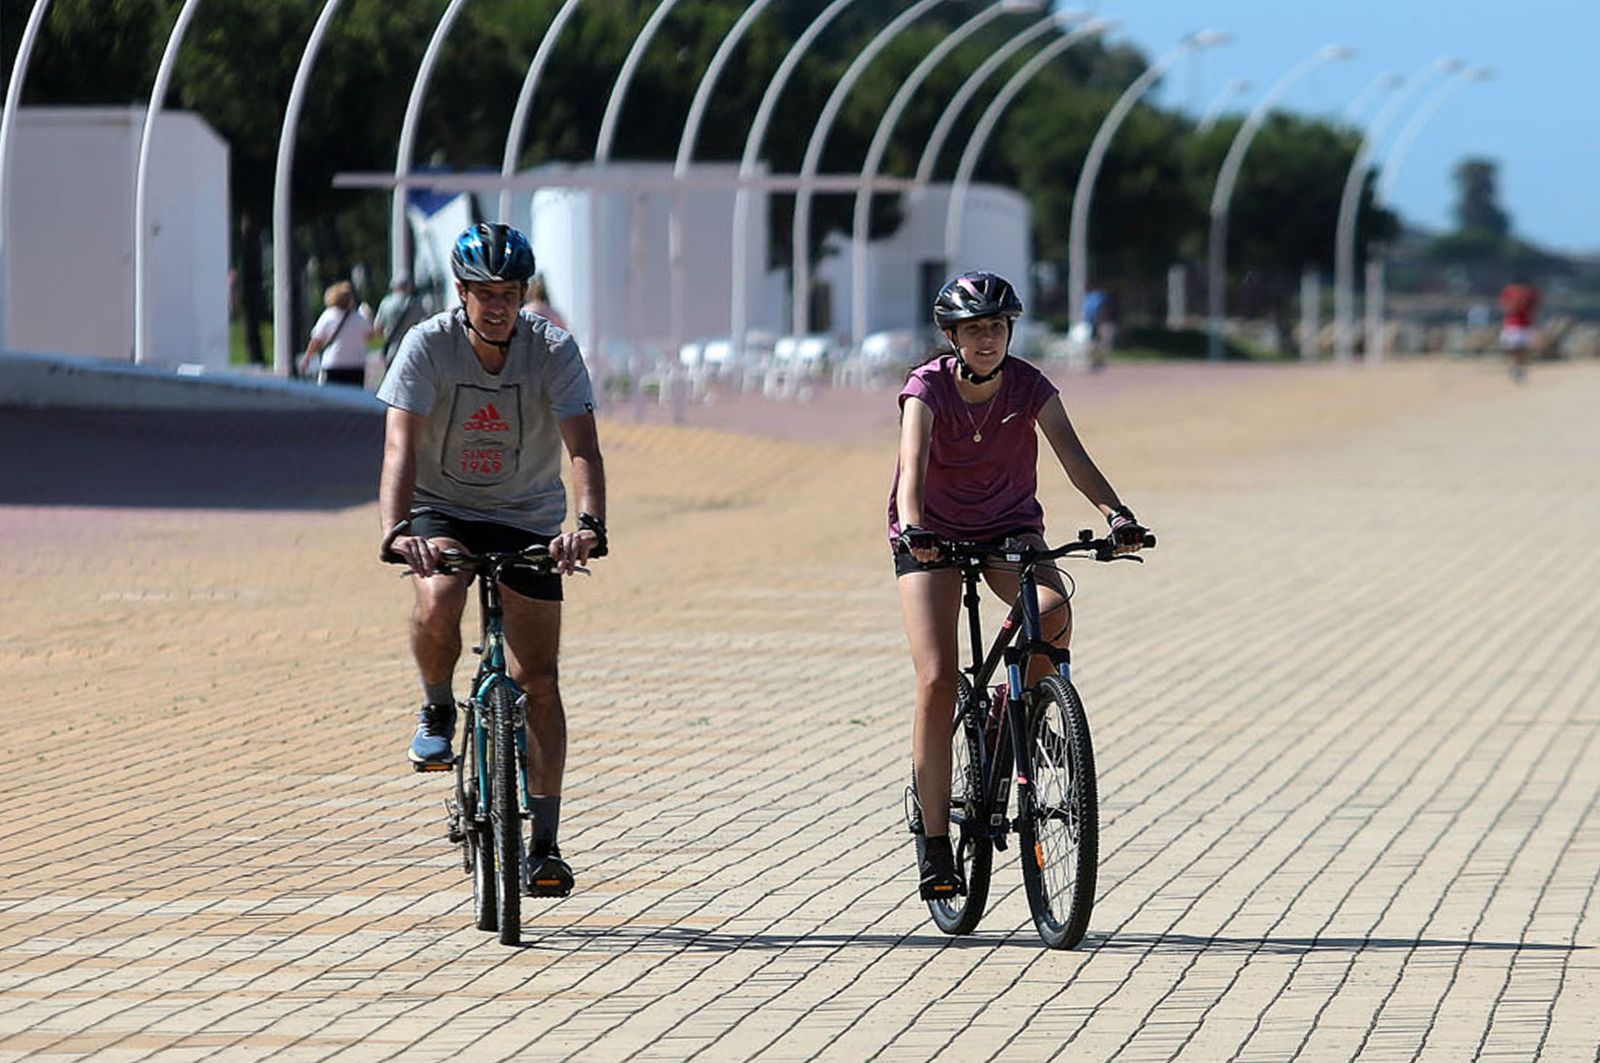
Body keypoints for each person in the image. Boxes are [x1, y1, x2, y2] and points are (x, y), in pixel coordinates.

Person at [887, 270, 1150, 901]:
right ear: (952, 336)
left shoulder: (1030, 385)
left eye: (998, 327)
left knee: (1053, 609)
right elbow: (911, 467)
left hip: (1009, 527)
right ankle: (935, 843)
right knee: (937, 679)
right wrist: (916, 529)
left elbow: (1073, 456)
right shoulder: (926, 388)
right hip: (933, 534)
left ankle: (1021, 711)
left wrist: (1118, 516)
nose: (988, 339)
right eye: (975, 329)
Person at [377, 222, 607, 898]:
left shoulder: (552, 349)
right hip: (442, 508)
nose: (498, 306)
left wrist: (588, 525)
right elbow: (400, 446)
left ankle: (545, 844)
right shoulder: (427, 345)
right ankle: (437, 707)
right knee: (439, 594)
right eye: (485, 294)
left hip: (527, 515)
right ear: (461, 292)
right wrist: (396, 529)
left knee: (539, 679)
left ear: (524, 293)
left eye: (509, 293)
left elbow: (583, 447)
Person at [301, 280, 373, 386]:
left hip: (333, 363)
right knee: (353, 395)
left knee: (332, 395)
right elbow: (370, 338)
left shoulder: (328, 316)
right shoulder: (359, 318)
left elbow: (316, 341)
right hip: (356, 365)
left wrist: (307, 358)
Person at [372, 271, 431, 368]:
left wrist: (375, 352)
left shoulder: (386, 303)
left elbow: (378, 329)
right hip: (413, 351)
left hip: (392, 352)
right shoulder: (418, 304)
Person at [1499, 275, 1541, 382]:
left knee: (1522, 348)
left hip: (1524, 324)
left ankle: (1519, 368)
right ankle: (1516, 366)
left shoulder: (1530, 293)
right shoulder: (1510, 291)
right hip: (1512, 323)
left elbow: (1535, 306)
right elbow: (1505, 305)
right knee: (1510, 347)